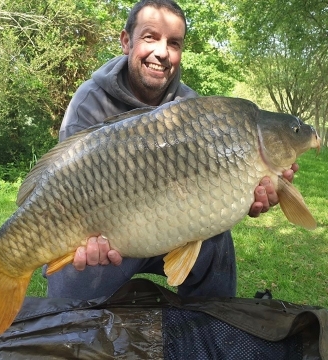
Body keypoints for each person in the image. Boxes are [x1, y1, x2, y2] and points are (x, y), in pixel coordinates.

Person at [45, 0, 297, 300]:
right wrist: (85, 240)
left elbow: (217, 184)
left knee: (218, 244)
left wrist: (251, 196)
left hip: (171, 224)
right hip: (108, 231)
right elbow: (61, 190)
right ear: (127, 41)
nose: (162, 52)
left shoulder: (195, 109)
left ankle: (207, 330)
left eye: (174, 43)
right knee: (70, 282)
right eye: (150, 37)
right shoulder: (88, 104)